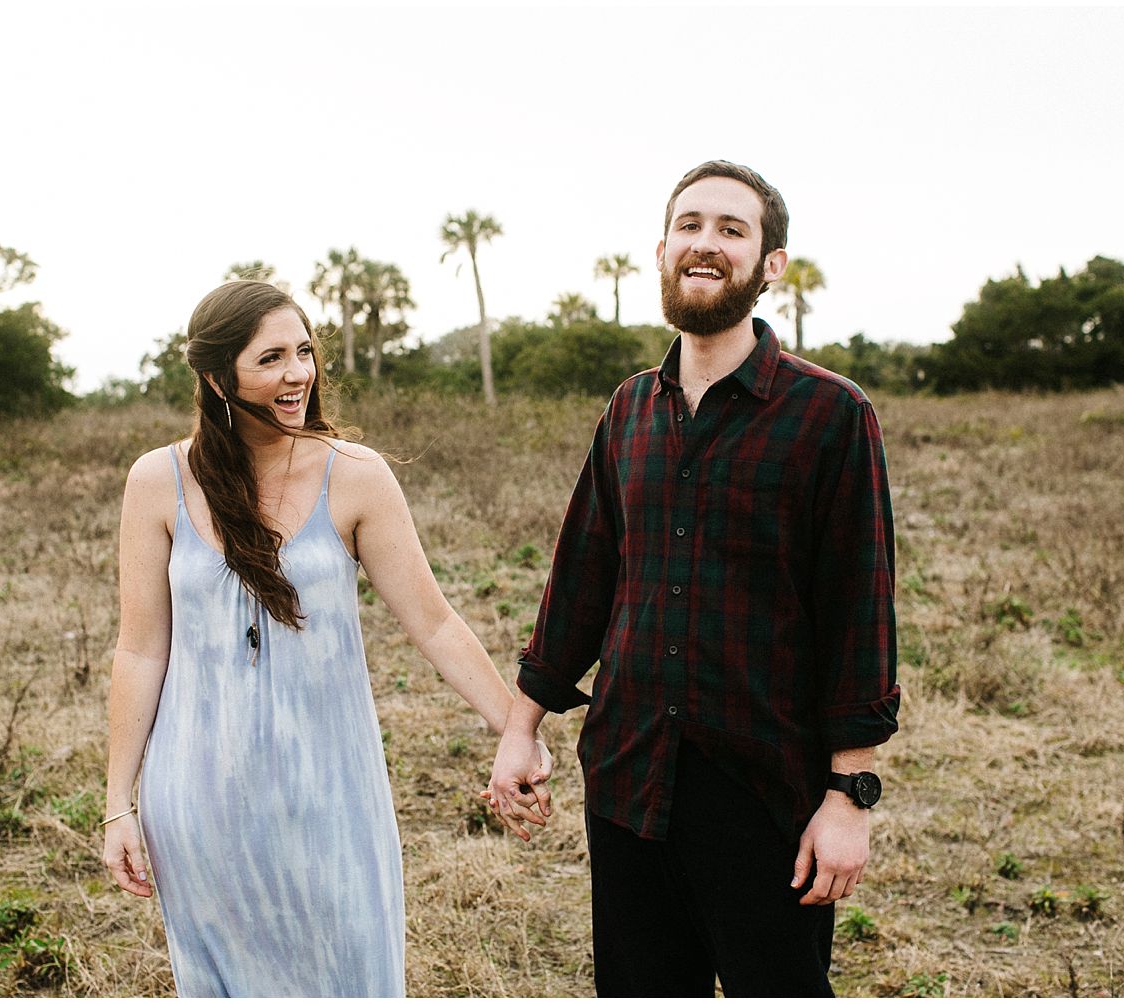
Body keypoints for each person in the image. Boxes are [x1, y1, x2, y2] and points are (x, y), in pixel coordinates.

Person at [487, 160, 900, 997]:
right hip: (629, 781)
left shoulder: (831, 415)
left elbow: (860, 612)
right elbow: (582, 579)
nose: (704, 244)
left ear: (770, 264)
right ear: (663, 249)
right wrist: (520, 726)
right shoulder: (629, 409)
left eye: (731, 229)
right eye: (690, 225)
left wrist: (849, 796)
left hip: (765, 796)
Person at [102, 280, 551, 997]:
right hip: (199, 798)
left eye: (304, 352)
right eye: (272, 358)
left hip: (331, 797)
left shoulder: (357, 476)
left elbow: (433, 621)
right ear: (219, 378)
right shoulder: (157, 481)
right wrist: (119, 804)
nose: (298, 374)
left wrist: (515, 728)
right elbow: (140, 649)